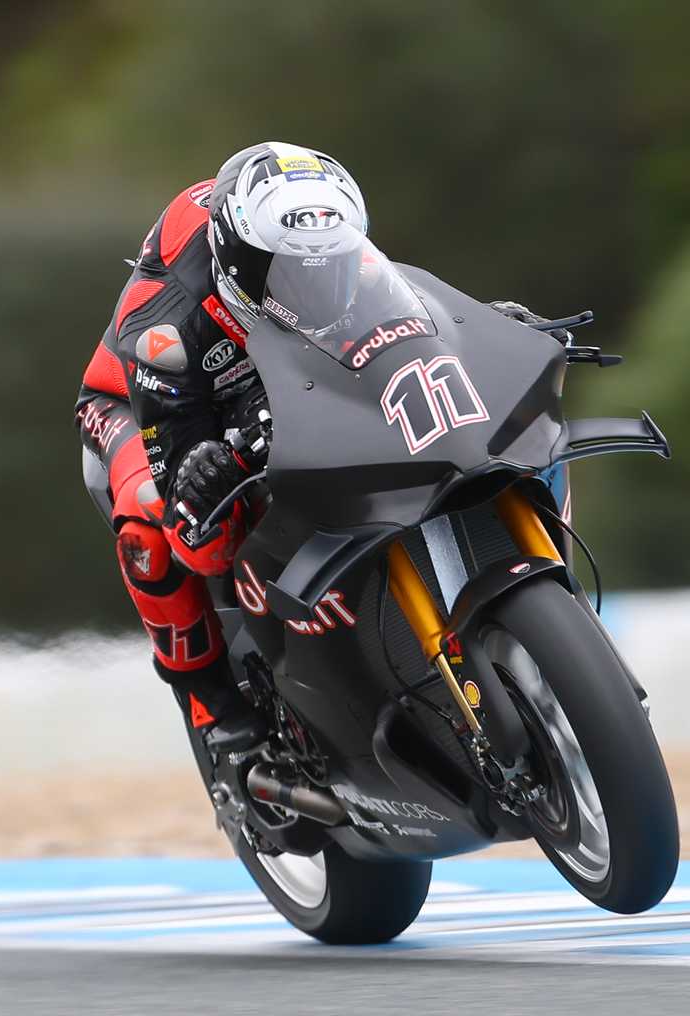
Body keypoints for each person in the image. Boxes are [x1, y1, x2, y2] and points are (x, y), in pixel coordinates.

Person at [74, 140, 568, 753]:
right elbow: (194, 536)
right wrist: (201, 475)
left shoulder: (336, 255)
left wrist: (492, 331)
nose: (315, 285)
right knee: (151, 521)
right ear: (239, 265)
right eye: (290, 273)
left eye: (329, 265)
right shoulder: (165, 333)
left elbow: (421, 328)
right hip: (141, 400)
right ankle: (206, 695)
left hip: (274, 377)